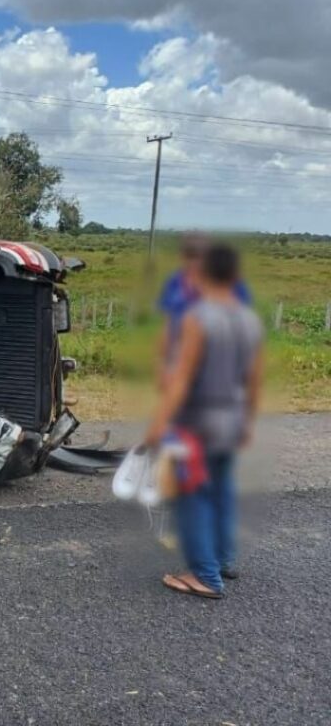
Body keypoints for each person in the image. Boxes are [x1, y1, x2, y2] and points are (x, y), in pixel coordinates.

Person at [145, 243, 263, 599]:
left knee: (191, 494)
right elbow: (254, 380)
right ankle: (224, 560)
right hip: (234, 415)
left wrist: (160, 424)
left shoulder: (198, 318)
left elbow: (182, 379)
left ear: (205, 274)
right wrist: (247, 423)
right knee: (223, 489)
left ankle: (206, 576)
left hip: (199, 421)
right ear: (236, 276)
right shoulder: (250, 319)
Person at [157, 233, 251, 385]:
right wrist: (164, 364)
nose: (195, 261)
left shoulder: (229, 282)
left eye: (201, 255)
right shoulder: (175, 283)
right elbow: (168, 326)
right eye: (190, 254)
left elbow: (244, 325)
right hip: (181, 356)